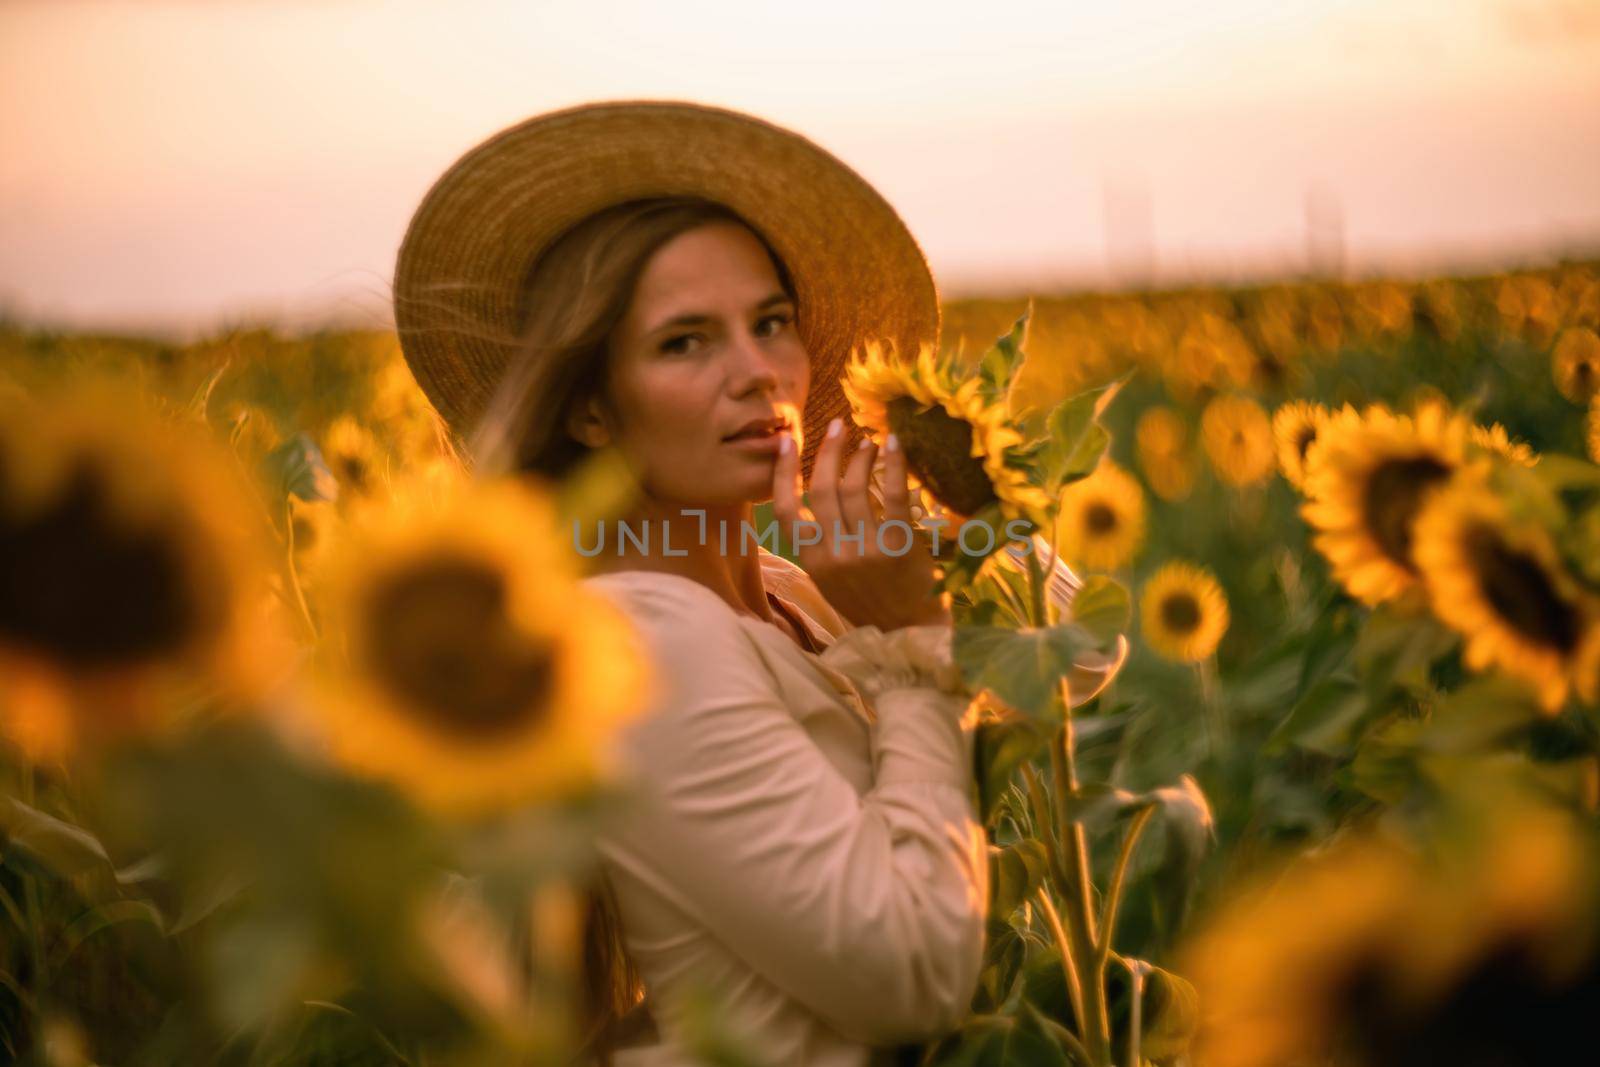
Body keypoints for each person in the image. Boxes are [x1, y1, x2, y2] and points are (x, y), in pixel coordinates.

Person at [391, 101, 1122, 1067]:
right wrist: (913, 655)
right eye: (684, 342)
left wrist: (953, 488)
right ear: (592, 408)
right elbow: (908, 973)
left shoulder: (790, 585)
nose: (758, 374)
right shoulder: (644, 641)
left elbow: (1079, 660)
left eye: (772, 323)